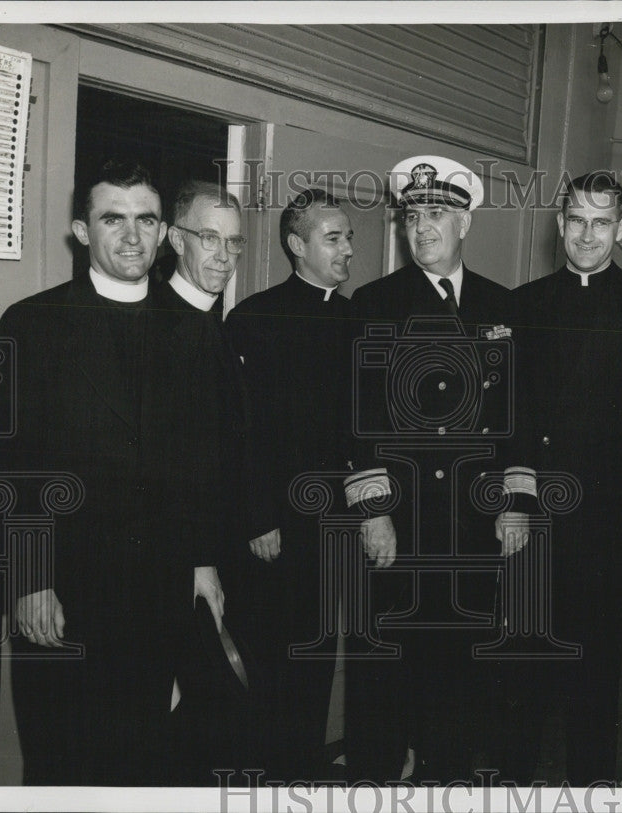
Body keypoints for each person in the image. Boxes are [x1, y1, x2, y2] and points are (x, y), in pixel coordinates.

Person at [0, 158, 226, 786]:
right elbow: (17, 467)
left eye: (145, 219)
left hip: (159, 590)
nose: (131, 236)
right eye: (112, 219)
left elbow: (200, 460)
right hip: (66, 589)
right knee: (64, 764)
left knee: (145, 760)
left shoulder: (193, 331)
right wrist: (31, 579)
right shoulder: (32, 324)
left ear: (163, 232)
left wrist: (202, 563)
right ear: (81, 230)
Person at [342, 155, 525, 783]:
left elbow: (519, 416)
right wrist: (373, 512)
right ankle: (373, 780)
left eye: (438, 214)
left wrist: (516, 500)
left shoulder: (503, 307)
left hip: (473, 525)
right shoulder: (374, 303)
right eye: (413, 215)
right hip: (404, 522)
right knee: (385, 673)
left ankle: (445, 780)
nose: (423, 227)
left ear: (465, 222)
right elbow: (358, 418)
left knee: (459, 673)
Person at [507, 171, 622, 785]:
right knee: (520, 685)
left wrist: (616, 503)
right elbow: (507, 416)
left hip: (604, 533)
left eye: (602, 222)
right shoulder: (524, 304)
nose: (587, 235)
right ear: (560, 225)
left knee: (594, 686)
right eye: (577, 220)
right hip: (528, 530)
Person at [225, 188, 360, 780]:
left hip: (337, 530)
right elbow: (241, 434)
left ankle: (301, 777)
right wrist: (258, 517)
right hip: (273, 529)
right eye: (334, 238)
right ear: (296, 245)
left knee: (315, 660)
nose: (348, 249)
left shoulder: (357, 320)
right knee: (268, 666)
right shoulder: (253, 319)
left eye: (349, 237)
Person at [152, 179, 254, 783]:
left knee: (209, 717)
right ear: (174, 239)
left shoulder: (216, 325)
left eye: (234, 242)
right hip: (179, 563)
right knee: (180, 721)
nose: (223, 255)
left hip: (219, 554)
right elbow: (166, 464)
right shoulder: (158, 323)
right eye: (208, 238)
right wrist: (197, 561)